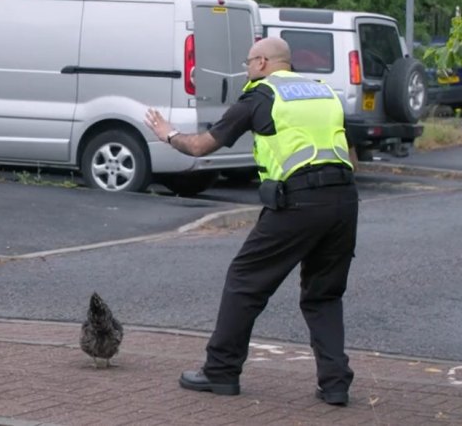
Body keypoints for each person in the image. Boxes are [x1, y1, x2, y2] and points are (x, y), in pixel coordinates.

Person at [144, 37, 358, 406]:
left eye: (248, 62)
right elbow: (351, 153)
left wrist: (168, 133)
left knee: (245, 283)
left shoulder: (260, 95)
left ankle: (221, 372)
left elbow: (201, 147)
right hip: (344, 200)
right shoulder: (325, 93)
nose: (246, 69)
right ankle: (335, 384)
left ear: (261, 62)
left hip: (297, 202)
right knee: (324, 295)